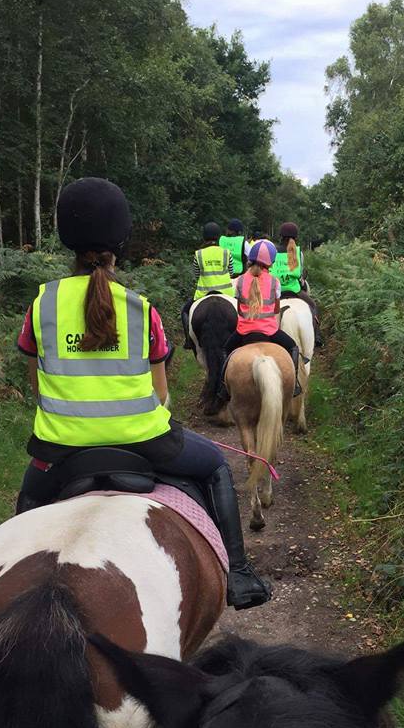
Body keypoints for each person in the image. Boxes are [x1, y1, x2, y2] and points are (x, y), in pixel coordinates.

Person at [15, 177, 270, 611]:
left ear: (68, 240)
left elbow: (36, 385)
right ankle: (240, 575)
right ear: (120, 242)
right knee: (214, 467)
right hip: (143, 440)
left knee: (29, 500)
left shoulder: (42, 305)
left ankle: (20, 585)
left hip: (59, 446)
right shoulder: (141, 308)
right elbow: (160, 392)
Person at [220, 239, 303, 398]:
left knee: (224, 349)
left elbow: (239, 309)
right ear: (270, 263)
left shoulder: (240, 280)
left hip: (244, 331)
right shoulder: (274, 282)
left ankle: (223, 387)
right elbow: (276, 310)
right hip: (270, 331)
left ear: (250, 259)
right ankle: (295, 386)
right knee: (293, 347)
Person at [181, 221, 235, 349]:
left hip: (203, 294)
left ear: (204, 236)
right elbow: (231, 272)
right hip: (227, 294)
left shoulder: (198, 254)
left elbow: (196, 274)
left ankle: (188, 340)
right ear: (218, 236)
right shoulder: (226, 253)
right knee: (244, 309)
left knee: (185, 311)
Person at [272, 221, 323, 346]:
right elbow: (299, 273)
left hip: (275, 291)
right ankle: (317, 336)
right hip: (294, 290)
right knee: (313, 305)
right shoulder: (298, 252)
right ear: (296, 237)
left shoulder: (272, 251)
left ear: (280, 236)